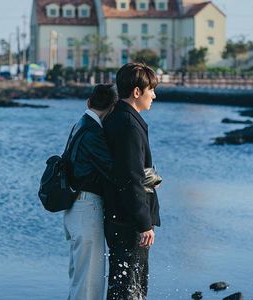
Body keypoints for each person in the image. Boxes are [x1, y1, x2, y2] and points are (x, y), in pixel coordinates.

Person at [103, 63, 161, 300]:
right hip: (128, 220)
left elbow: (130, 171)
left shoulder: (120, 117)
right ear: (137, 92)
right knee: (129, 286)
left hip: (121, 215)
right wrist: (144, 222)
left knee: (126, 283)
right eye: (151, 90)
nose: (154, 95)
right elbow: (130, 178)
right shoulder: (127, 123)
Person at [64, 84, 118, 300]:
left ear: (89, 102)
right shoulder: (93, 132)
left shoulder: (79, 124)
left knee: (79, 277)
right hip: (87, 206)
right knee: (89, 282)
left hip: (74, 206)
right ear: (112, 107)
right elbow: (112, 170)